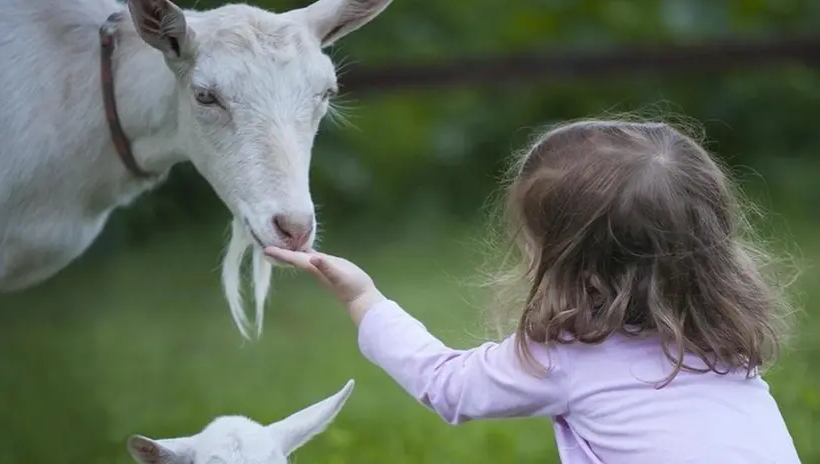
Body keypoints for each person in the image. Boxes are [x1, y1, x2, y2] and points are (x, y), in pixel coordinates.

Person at [264, 119, 801, 464]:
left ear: (574, 265)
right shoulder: (728, 346)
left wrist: (363, 299)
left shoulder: (567, 358)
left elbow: (446, 384)